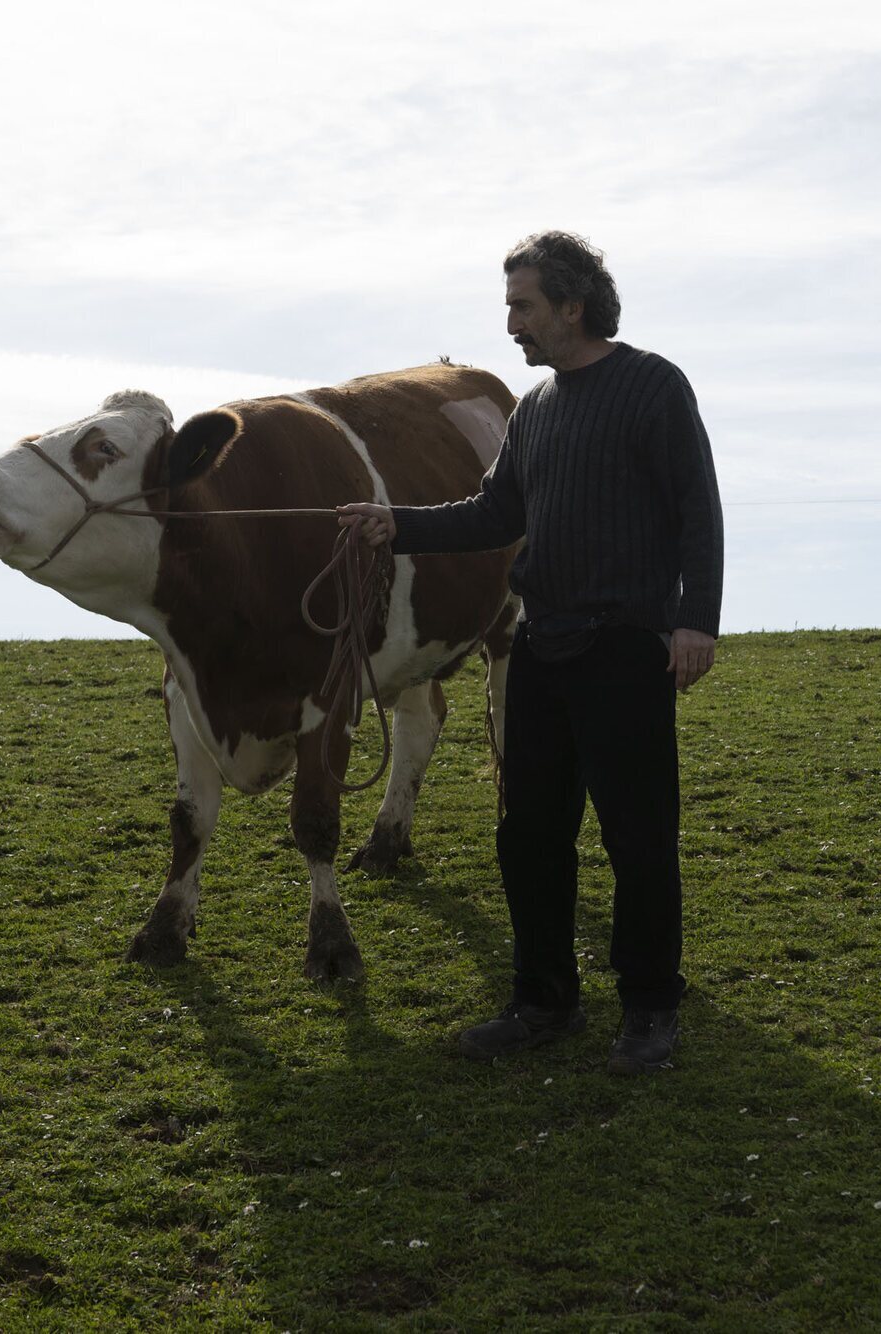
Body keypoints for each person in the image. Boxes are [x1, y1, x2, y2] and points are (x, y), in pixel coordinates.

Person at [339, 230, 724, 1073]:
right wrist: (393, 524)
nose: (511, 323)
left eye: (523, 305)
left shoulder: (652, 386)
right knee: (529, 836)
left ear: (571, 305)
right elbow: (491, 512)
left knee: (638, 837)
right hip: (546, 647)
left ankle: (651, 1009)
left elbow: (699, 507)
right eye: (510, 306)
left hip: (628, 647)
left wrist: (698, 621)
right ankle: (544, 1001)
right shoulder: (537, 409)